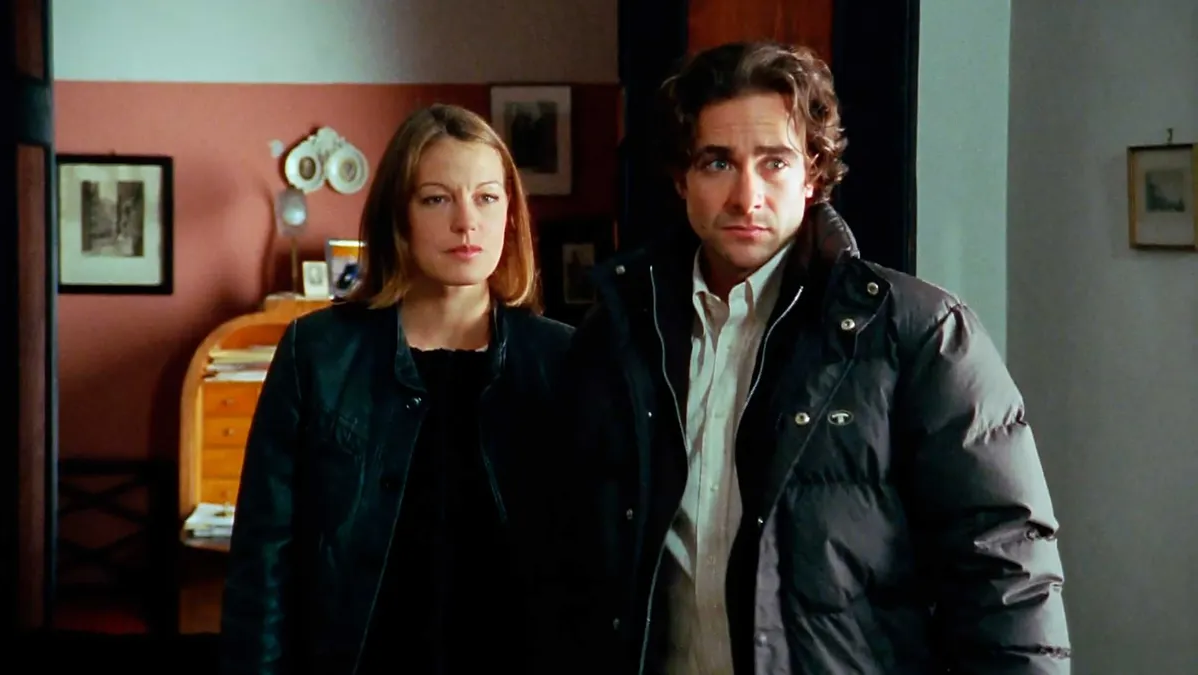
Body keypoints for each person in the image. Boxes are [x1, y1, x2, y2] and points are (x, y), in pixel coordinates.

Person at [544, 41, 1072, 674]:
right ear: (682, 177)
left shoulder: (917, 333)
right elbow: (568, 558)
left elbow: (1005, 570)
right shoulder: (619, 332)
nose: (746, 196)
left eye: (775, 162)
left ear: (814, 175)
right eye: (718, 162)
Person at [220, 103, 573, 675]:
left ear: (511, 215)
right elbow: (263, 560)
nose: (466, 222)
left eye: (487, 197)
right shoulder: (319, 353)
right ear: (398, 217)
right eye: (436, 199)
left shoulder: (563, 360)